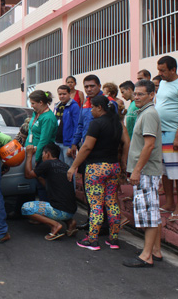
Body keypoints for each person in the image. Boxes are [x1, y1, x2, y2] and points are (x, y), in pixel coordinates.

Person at [68, 95, 130, 251]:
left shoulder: (96, 124)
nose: (91, 111)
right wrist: (123, 162)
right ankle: (113, 239)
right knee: (112, 202)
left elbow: (87, 147)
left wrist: (73, 166)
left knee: (96, 204)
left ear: (100, 108)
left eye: (93, 108)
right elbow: (127, 142)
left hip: (96, 168)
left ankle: (92, 239)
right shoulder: (117, 123)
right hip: (113, 167)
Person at [122, 80, 164, 268]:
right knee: (151, 211)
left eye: (140, 94)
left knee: (149, 213)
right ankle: (155, 250)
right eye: (135, 94)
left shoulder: (149, 114)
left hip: (146, 171)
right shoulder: (144, 112)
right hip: (146, 170)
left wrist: (137, 170)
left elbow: (149, 145)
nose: (136, 97)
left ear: (151, 95)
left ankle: (147, 255)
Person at [68, 74, 118, 230]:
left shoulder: (109, 103)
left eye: (92, 86)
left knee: (106, 197)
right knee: (90, 193)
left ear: (99, 86)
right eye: (86, 87)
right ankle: (93, 222)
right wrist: (74, 143)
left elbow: (115, 126)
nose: (89, 89)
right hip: (86, 153)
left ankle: (103, 227)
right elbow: (80, 126)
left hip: (103, 154)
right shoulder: (86, 104)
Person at [156, 55, 178, 222]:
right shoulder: (163, 83)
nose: (160, 73)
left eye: (163, 70)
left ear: (173, 69)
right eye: (159, 70)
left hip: (173, 134)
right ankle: (169, 202)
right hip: (160, 133)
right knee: (164, 171)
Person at [22, 143, 77, 240]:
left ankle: (55, 225)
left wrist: (29, 155)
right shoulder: (65, 166)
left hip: (59, 211)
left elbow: (28, 175)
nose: (42, 156)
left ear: (47, 154)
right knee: (58, 203)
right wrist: (38, 175)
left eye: (43, 154)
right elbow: (49, 186)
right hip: (71, 211)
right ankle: (70, 222)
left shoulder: (47, 163)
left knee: (26, 208)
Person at [26, 90, 58, 201]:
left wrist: (37, 159)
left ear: (40, 102)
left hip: (40, 154)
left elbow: (44, 140)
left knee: (41, 183)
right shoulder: (37, 113)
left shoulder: (48, 118)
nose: (31, 106)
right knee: (31, 183)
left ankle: (44, 211)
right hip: (32, 152)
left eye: (33, 103)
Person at [54, 85, 80, 168]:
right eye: (60, 94)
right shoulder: (57, 106)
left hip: (67, 144)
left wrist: (73, 145)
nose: (62, 96)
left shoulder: (74, 106)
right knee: (60, 169)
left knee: (68, 169)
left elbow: (77, 126)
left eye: (64, 94)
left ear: (69, 94)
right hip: (57, 142)